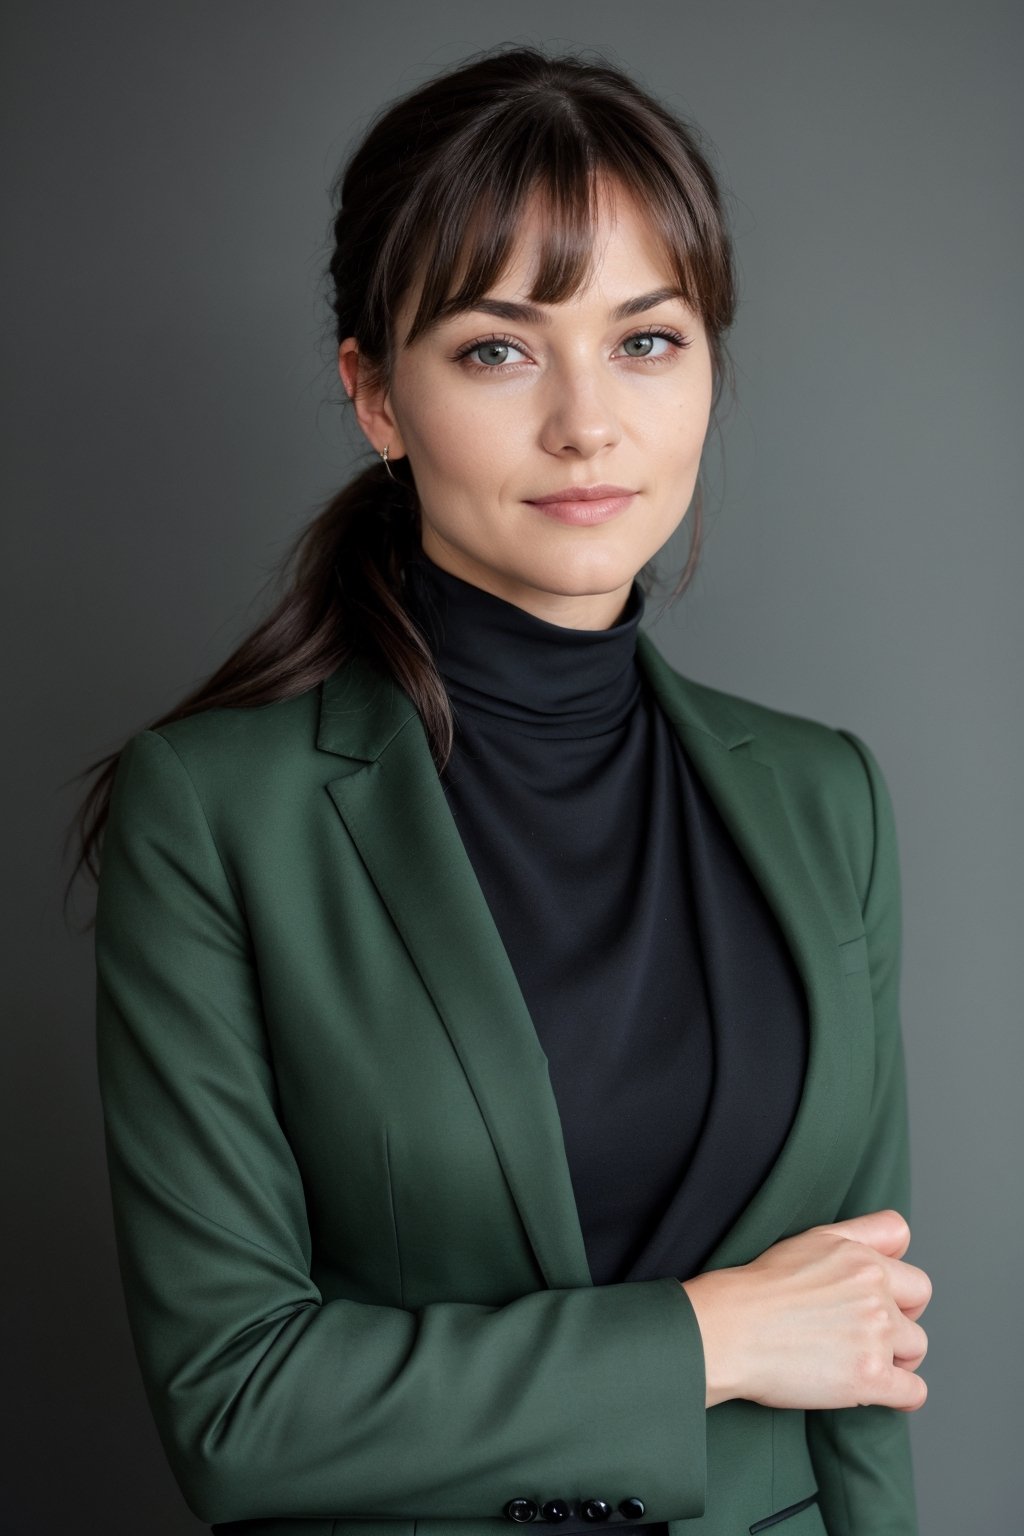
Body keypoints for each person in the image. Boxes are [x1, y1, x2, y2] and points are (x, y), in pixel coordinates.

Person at [71, 43, 932, 1536]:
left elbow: (860, 1351)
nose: (587, 423)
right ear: (376, 395)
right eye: (497, 347)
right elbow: (238, 1407)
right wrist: (710, 1339)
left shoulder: (824, 797)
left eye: (647, 340)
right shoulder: (213, 815)